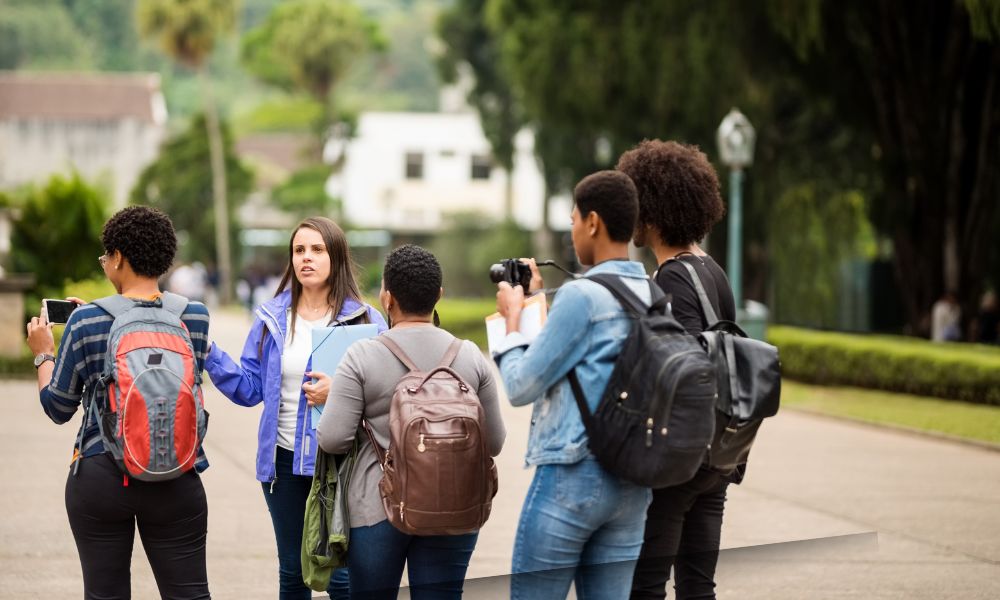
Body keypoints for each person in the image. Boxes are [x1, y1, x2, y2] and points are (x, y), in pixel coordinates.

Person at [25, 206, 212, 600]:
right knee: (190, 594)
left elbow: (57, 407)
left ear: (119, 259)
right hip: (177, 470)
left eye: (105, 256)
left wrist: (44, 354)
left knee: (105, 594)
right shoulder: (194, 315)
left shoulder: (86, 320)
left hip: (102, 476)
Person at [204, 216, 386, 599]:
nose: (307, 258)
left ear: (336, 257)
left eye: (317, 250)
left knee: (341, 575)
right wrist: (208, 352)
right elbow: (250, 389)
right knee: (292, 572)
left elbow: (389, 393)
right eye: (299, 250)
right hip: (282, 463)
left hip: (342, 463)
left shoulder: (367, 320)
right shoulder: (271, 319)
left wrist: (341, 391)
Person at [493, 170, 653, 600]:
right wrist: (539, 305)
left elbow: (520, 385)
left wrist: (512, 319)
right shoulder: (653, 293)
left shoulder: (583, 296)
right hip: (634, 485)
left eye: (573, 221)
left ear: (594, 222)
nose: (573, 231)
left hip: (573, 476)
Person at [316, 244, 506, 599]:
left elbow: (332, 439)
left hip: (377, 508)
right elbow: (493, 442)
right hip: (455, 506)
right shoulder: (470, 357)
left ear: (386, 298)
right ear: (439, 296)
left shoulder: (361, 356)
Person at [616, 139, 736, 600]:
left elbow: (683, 366)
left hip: (683, 457)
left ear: (651, 211)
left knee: (645, 586)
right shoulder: (712, 270)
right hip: (718, 453)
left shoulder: (671, 279)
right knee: (697, 586)